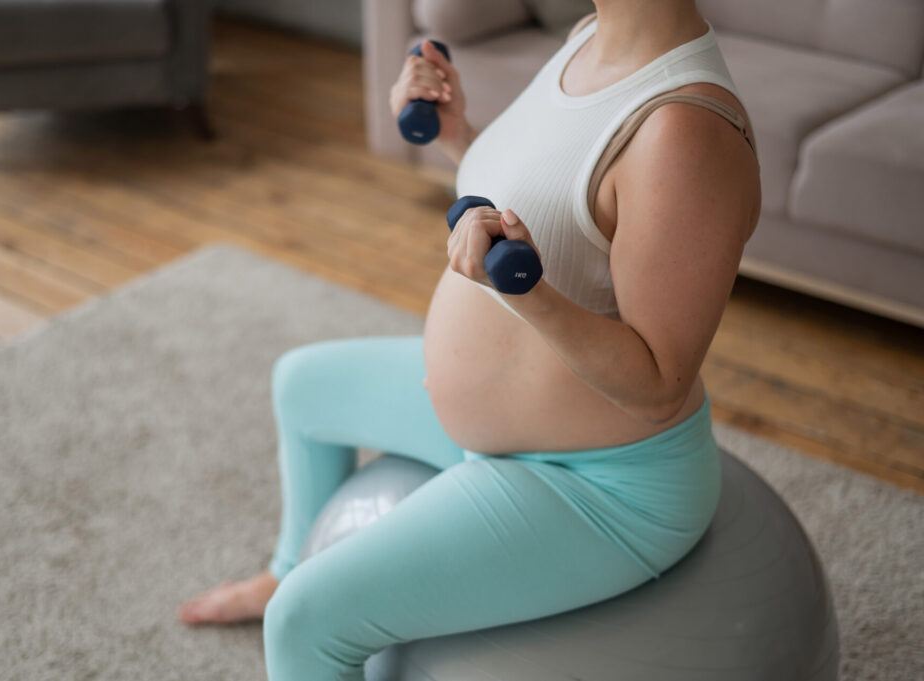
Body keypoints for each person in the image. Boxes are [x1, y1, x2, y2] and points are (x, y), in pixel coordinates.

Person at [179, 1, 761, 678]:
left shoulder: (684, 132)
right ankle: (288, 566)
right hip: (512, 426)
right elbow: (562, 207)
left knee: (306, 621)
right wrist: (460, 136)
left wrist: (524, 293)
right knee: (302, 384)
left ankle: (296, 594)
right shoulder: (591, 37)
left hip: (600, 487)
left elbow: (660, 385)